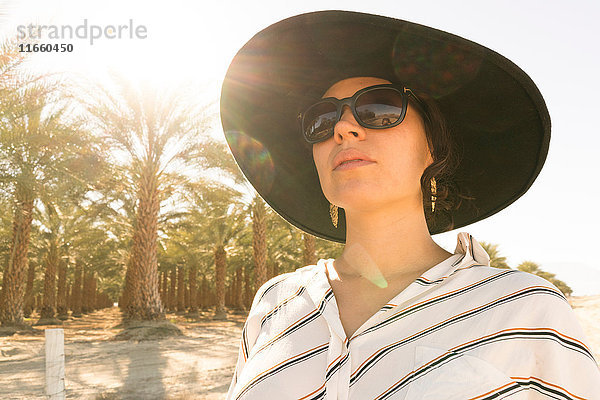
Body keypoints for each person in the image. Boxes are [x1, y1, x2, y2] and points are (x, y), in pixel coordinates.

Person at [220, 11, 600, 399]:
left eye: (379, 109)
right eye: (322, 119)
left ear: (432, 145)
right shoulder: (274, 303)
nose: (343, 128)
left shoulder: (526, 310)